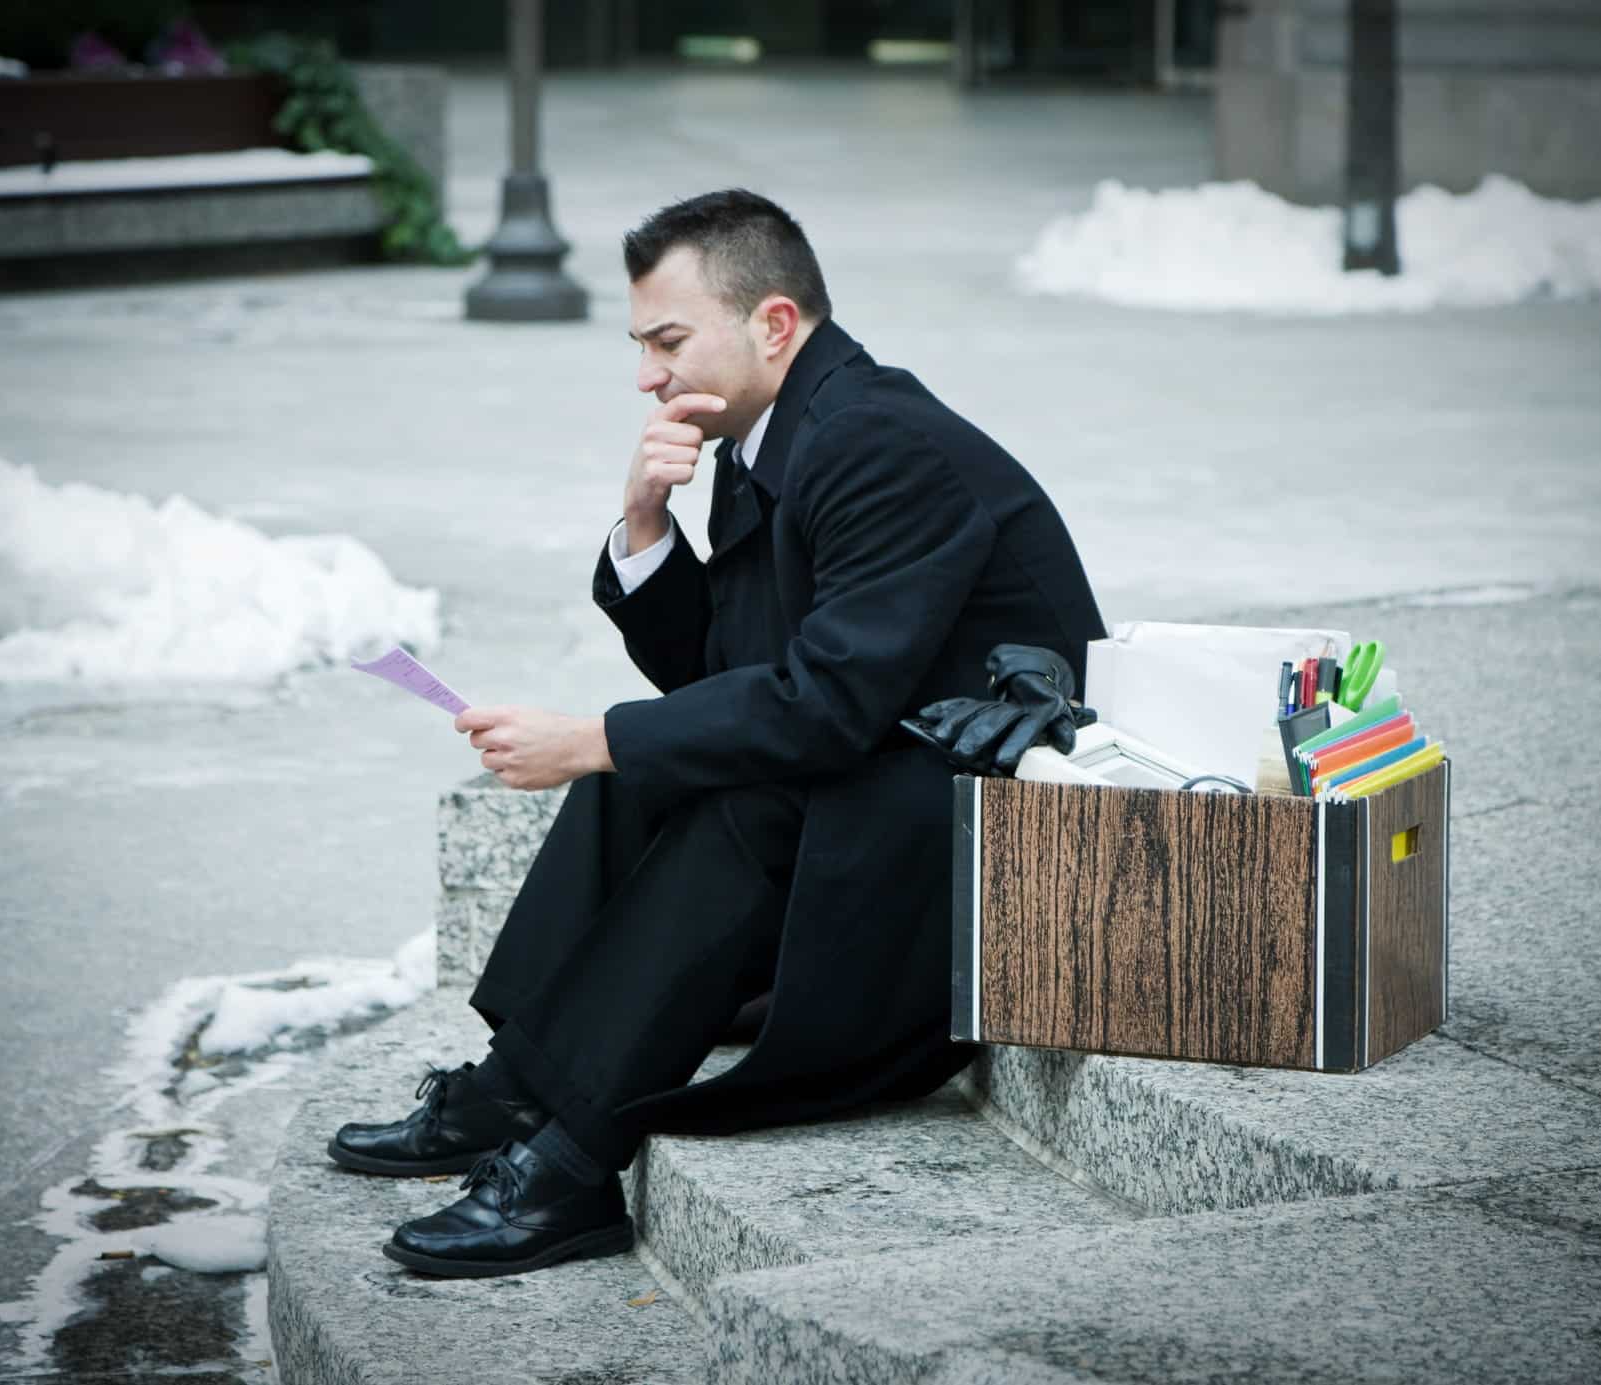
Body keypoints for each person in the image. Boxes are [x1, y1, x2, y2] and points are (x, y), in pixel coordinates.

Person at [330, 189, 1105, 1278]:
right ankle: (518, 1083)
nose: (646, 372)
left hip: (1001, 812)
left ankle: (575, 1156)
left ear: (772, 323)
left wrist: (595, 733)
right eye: (641, 343)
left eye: (666, 339)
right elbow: (731, 679)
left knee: (718, 785)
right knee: (635, 768)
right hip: (899, 762)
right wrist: (646, 528)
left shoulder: (875, 438)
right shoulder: (766, 433)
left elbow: (823, 704)